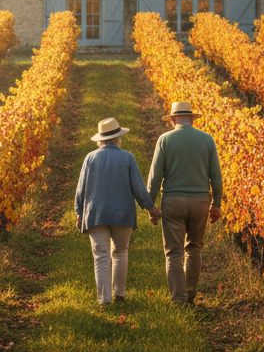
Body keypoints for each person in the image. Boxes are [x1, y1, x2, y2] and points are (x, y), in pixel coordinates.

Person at [146, 102, 223, 305]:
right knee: (194, 248)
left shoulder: (165, 140)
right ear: (192, 119)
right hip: (200, 202)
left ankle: (178, 299)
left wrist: (151, 206)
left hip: (173, 201)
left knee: (174, 251)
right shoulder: (207, 140)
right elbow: (216, 176)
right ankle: (190, 293)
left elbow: (155, 176)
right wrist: (217, 204)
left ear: (172, 119)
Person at [74, 117, 157, 306]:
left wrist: (79, 211)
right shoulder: (127, 157)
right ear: (118, 138)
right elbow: (138, 188)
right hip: (122, 213)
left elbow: (81, 189)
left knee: (101, 255)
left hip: (95, 213)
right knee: (120, 252)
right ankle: (120, 293)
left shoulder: (90, 158)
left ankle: (104, 300)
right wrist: (150, 208)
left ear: (100, 140)